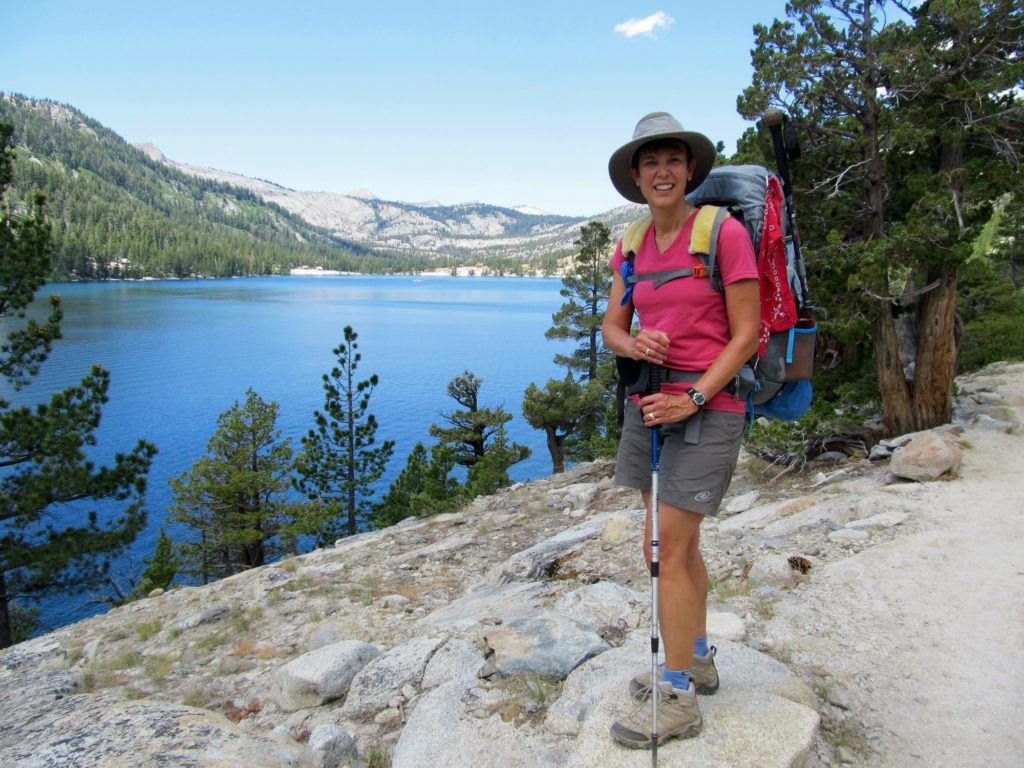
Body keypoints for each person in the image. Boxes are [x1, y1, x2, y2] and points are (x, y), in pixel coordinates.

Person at [601, 112, 760, 749]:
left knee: (667, 549)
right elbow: (612, 325)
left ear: (690, 169)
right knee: (671, 548)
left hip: (707, 406)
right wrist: (635, 338)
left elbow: (747, 333)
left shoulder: (720, 233)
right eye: (650, 162)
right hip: (650, 405)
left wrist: (694, 396)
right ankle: (695, 658)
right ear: (636, 177)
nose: (662, 171)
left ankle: (676, 696)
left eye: (672, 159)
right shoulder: (632, 243)